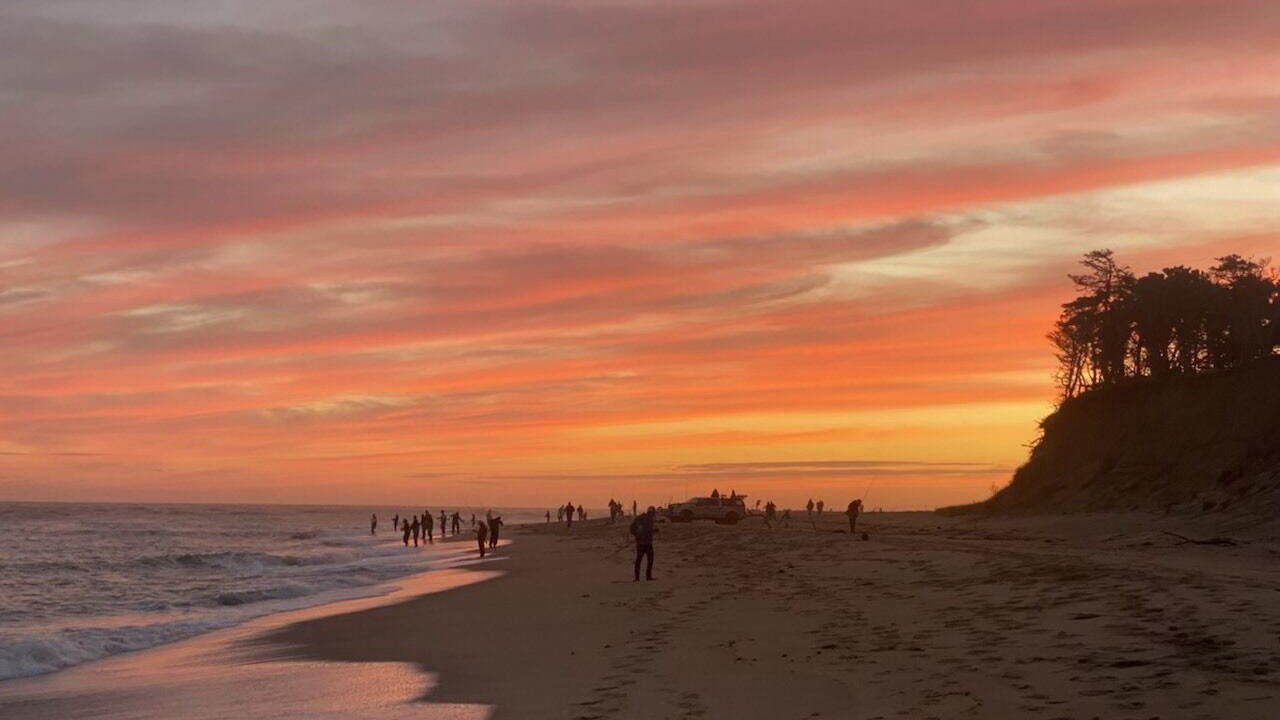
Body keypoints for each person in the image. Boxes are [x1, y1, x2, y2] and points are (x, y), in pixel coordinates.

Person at [630, 506, 658, 581]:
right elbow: (649, 531)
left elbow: (632, 528)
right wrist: (655, 531)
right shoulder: (649, 520)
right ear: (652, 513)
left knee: (639, 560)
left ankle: (637, 578)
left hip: (640, 543)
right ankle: (648, 577)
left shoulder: (639, 518)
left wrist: (636, 535)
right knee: (650, 560)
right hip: (647, 543)